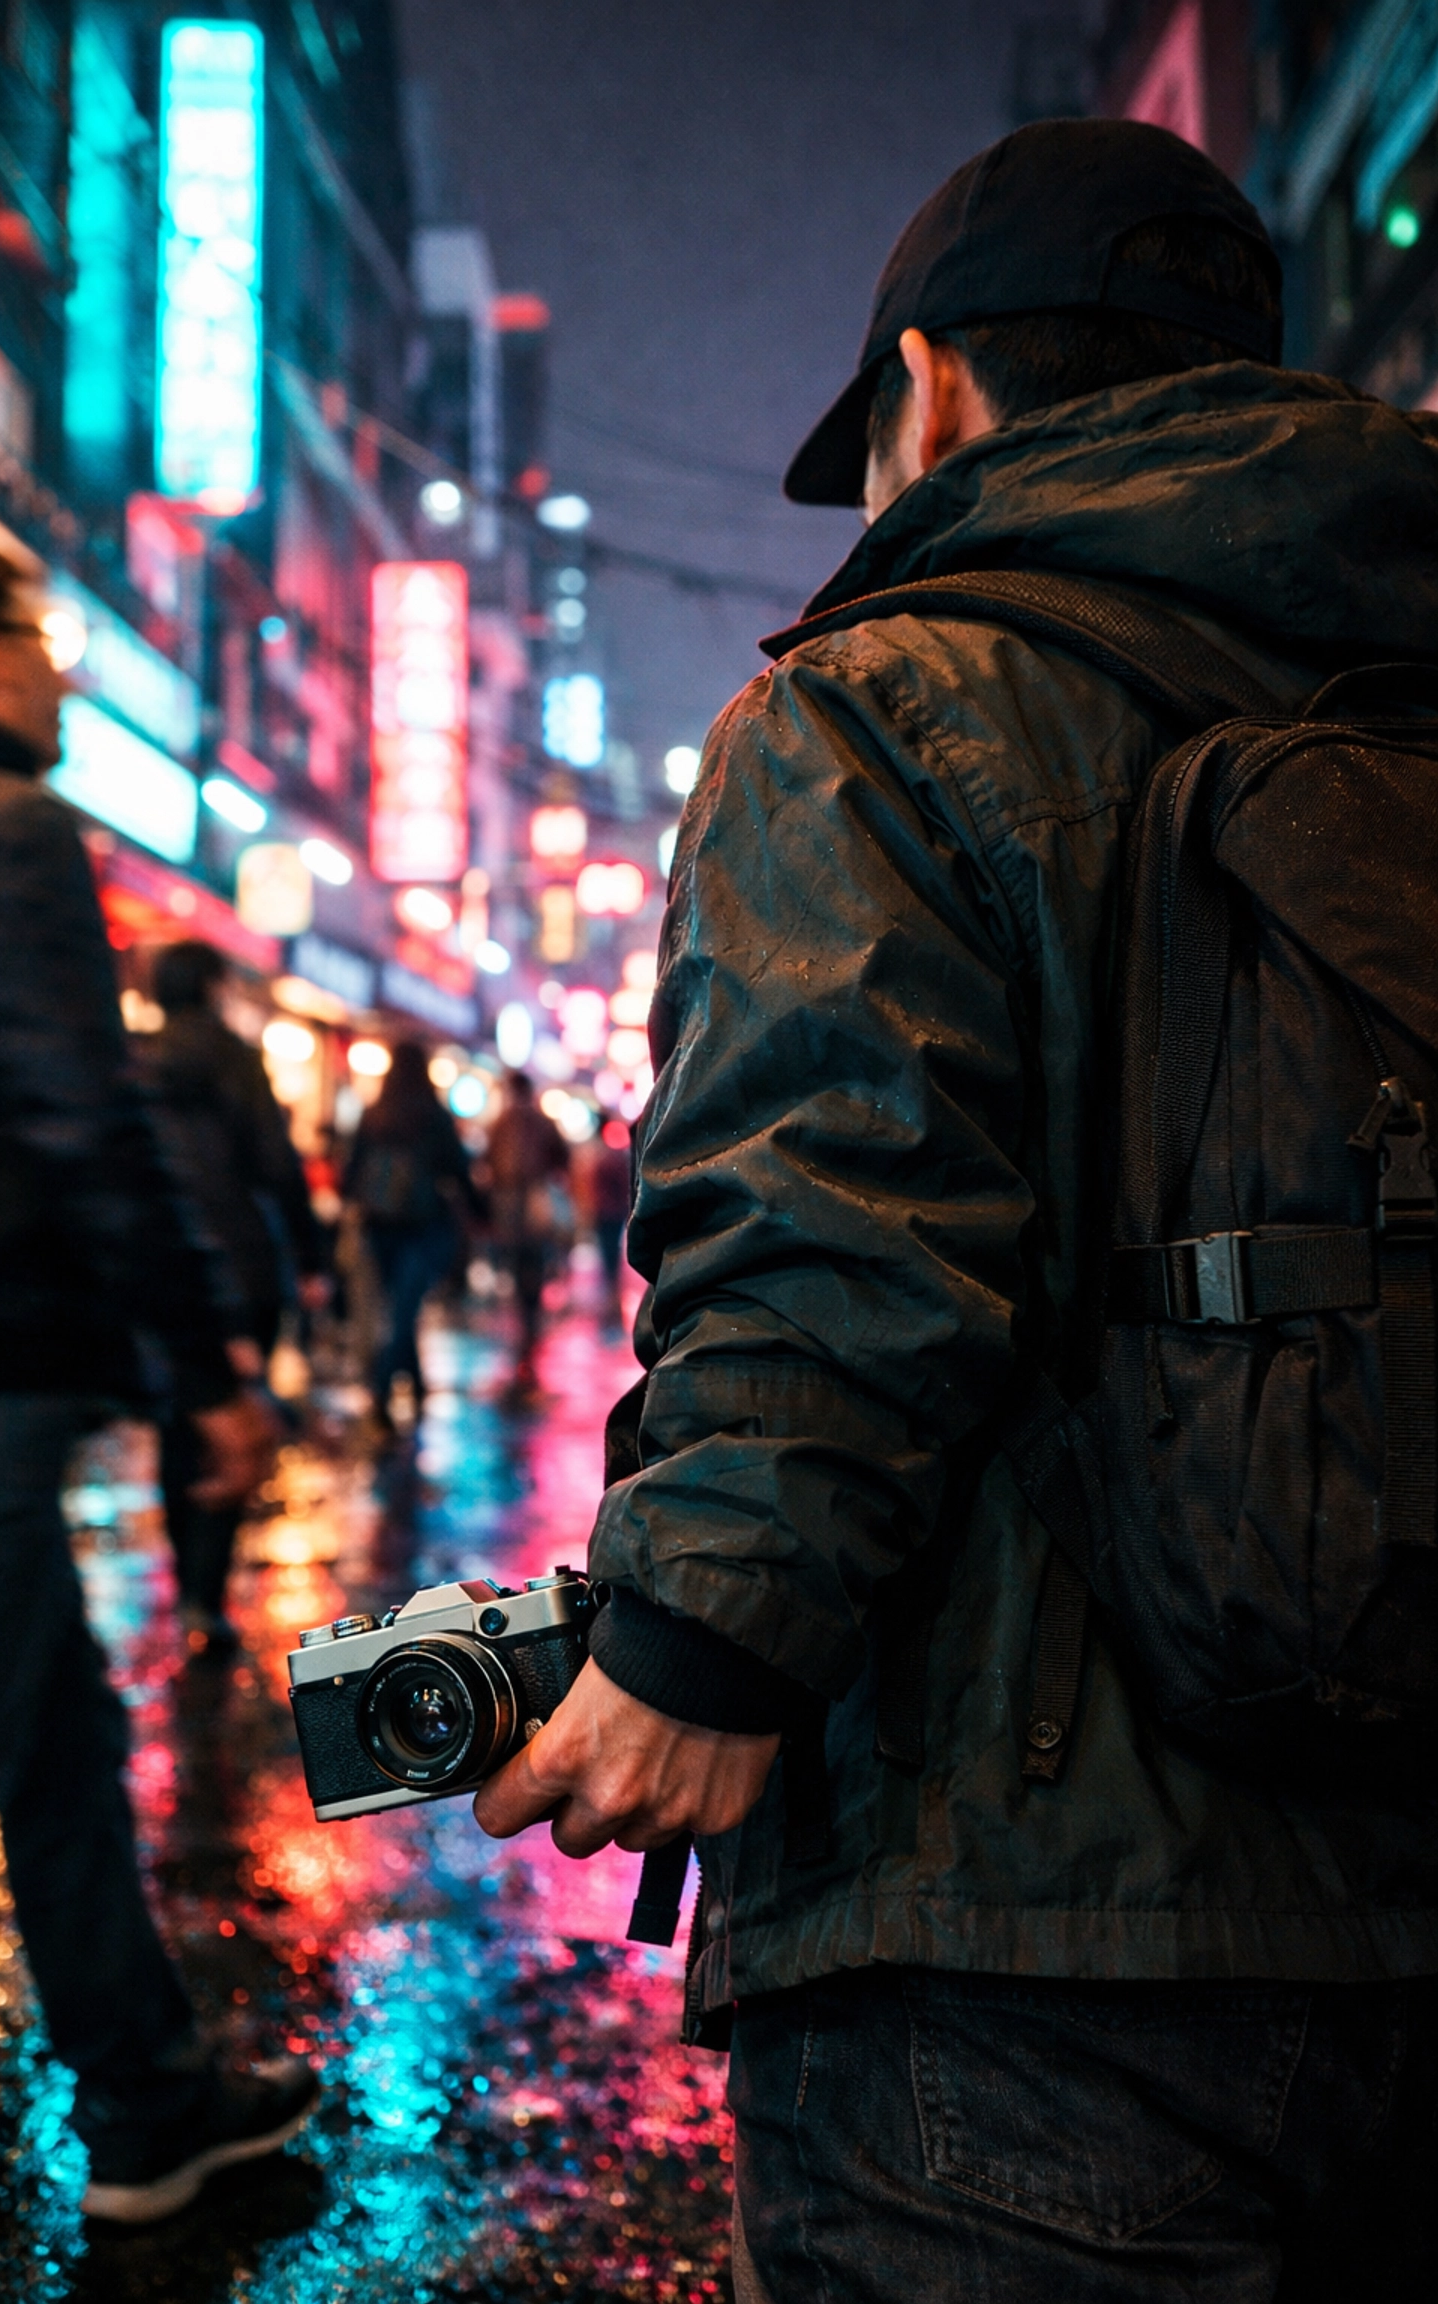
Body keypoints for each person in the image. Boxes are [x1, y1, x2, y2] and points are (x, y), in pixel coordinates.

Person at [473, 121, 1438, 2298]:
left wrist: (698, 1638)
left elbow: (828, 1213)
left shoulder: (882, 705)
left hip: (1010, 1941)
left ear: (932, 385)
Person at [0, 536, 316, 2221]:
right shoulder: (1, 834)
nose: (64, 666)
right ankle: (148, 2098)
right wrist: (211, 1365)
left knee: (53, 1735)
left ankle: (148, 2099)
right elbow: (86, 1123)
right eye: (43, 633)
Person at [140, 938, 330, 1652]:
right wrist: (310, 1256)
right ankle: (204, 1592)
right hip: (242, 1261)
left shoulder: (137, 1059)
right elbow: (277, 1165)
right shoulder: (234, 1058)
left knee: (179, 1418)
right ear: (216, 986)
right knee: (233, 1414)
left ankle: (188, 1576)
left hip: (164, 1265)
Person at [343, 1041, 478, 1430]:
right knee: (406, 1311)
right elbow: (457, 1170)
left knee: (402, 1309)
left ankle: (414, 1387)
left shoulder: (372, 1115)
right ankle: (381, 1391)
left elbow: (350, 1174)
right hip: (422, 1226)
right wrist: (479, 1211)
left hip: (378, 1227)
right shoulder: (433, 1116)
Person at [483, 1070, 569, 1385]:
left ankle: (526, 1315)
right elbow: (562, 1158)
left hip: (510, 1205)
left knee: (518, 1263)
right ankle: (530, 1315)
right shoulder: (541, 1121)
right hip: (534, 1203)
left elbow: (488, 1162)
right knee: (533, 1261)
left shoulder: (500, 1123)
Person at [584, 1116, 632, 1331]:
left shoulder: (602, 1159)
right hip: (614, 1212)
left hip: (604, 1213)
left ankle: (611, 1287)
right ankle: (613, 1287)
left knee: (607, 1252)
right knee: (612, 1252)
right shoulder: (619, 1160)